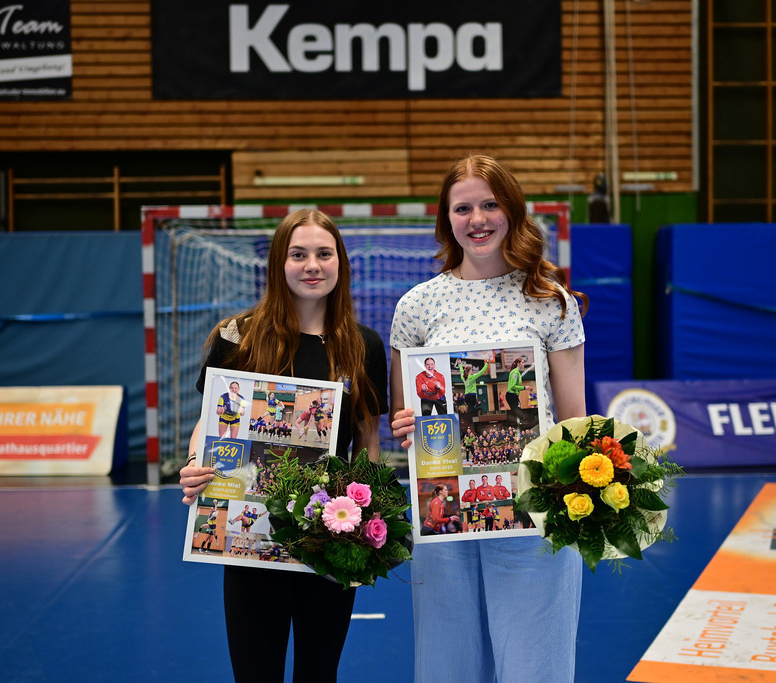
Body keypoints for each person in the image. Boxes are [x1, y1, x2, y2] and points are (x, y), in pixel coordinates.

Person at [389, 153, 588, 681]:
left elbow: (574, 421)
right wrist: (406, 424)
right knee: (448, 662)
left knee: (534, 662)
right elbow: (401, 413)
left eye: (490, 204)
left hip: (532, 512)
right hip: (443, 510)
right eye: (462, 208)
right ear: (446, 220)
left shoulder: (552, 303)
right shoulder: (416, 305)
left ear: (512, 211)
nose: (476, 219)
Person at [178, 208, 388, 683]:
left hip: (329, 543)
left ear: (340, 264)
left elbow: (369, 441)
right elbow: (207, 423)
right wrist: (195, 463)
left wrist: (370, 517)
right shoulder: (239, 335)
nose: (312, 265)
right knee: (256, 673)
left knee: (319, 673)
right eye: (298, 254)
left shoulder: (363, 345)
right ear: (279, 263)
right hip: (251, 541)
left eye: (323, 254)